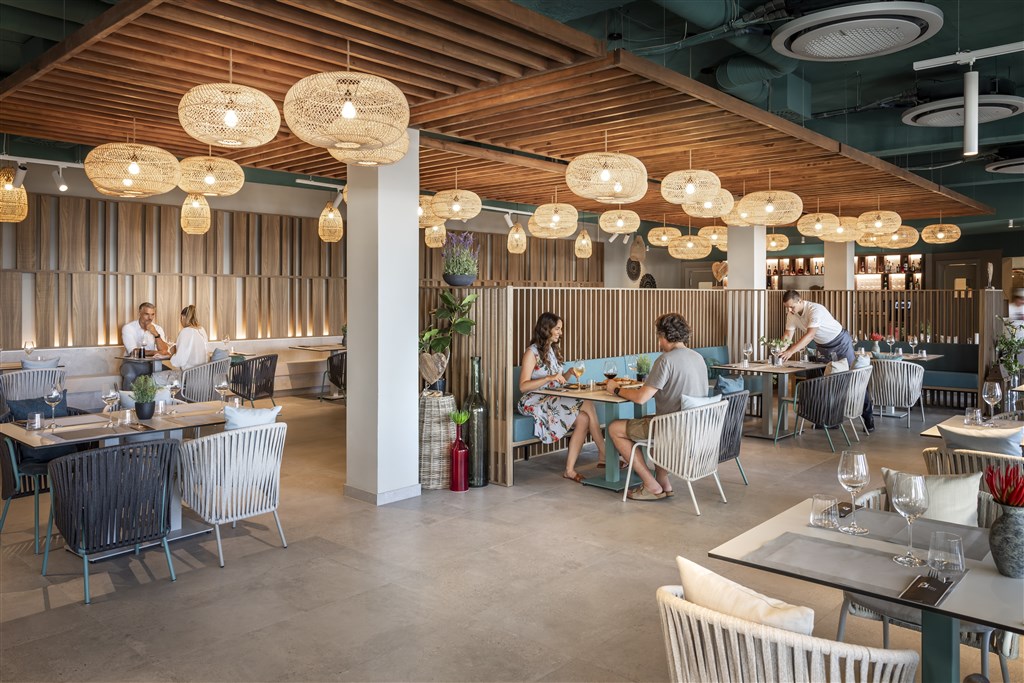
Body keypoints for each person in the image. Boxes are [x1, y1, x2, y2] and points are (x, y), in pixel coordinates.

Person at [605, 313, 708, 501]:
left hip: (672, 428)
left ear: (664, 335)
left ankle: (650, 484)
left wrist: (616, 389)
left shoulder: (665, 360)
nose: (659, 342)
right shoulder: (698, 357)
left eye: (659, 337)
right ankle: (663, 483)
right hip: (696, 427)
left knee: (614, 428)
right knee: (650, 423)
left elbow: (641, 398)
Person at [517, 312, 607, 482]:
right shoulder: (531, 353)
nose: (561, 332)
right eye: (557, 329)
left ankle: (569, 470)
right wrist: (548, 378)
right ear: (547, 329)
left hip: (551, 396)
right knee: (587, 402)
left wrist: (568, 373)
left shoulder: (552, 350)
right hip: (533, 400)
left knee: (583, 419)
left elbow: (557, 381)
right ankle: (604, 454)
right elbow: (523, 386)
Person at [779, 290, 874, 431]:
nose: (789, 310)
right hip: (823, 347)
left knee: (854, 379)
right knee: (827, 382)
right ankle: (831, 420)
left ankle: (868, 417)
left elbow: (810, 335)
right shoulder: (791, 314)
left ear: (800, 301)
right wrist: (780, 350)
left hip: (840, 342)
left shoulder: (814, 310)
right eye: (787, 307)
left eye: (791, 307)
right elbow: (788, 335)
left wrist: (790, 351)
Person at [120, 302, 170, 389]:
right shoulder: (128, 328)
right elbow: (134, 352)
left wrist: (155, 334)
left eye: (152, 314)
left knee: (169, 374)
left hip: (153, 364)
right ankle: (127, 397)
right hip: (131, 363)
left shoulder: (158, 329)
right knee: (130, 375)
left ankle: (161, 397)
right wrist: (155, 352)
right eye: (147, 314)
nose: (150, 318)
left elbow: (164, 350)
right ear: (140, 313)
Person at [168, 304, 209, 371]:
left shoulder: (185, 331)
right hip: (205, 373)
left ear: (182, 317)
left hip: (190, 374)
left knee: (155, 375)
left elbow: (178, 361)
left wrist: (172, 353)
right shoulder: (202, 329)